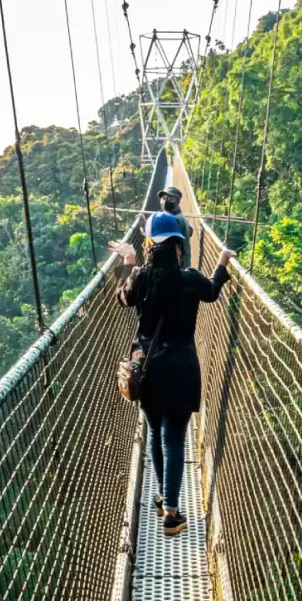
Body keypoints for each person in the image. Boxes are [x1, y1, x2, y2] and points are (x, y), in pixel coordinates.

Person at [109, 212, 235, 537]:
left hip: (147, 369)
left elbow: (121, 298)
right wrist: (221, 262)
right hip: (181, 367)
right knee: (174, 438)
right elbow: (211, 292)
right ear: (180, 243)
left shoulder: (140, 277)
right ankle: (172, 512)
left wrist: (129, 259)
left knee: (155, 433)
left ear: (150, 243)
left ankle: (165, 499)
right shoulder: (190, 278)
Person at [158, 186, 192, 268]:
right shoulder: (180, 216)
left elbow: (158, 238)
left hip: (178, 267)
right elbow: (190, 232)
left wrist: (145, 223)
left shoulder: (176, 219)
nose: (166, 201)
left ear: (177, 202)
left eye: (170, 199)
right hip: (180, 264)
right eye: (164, 198)